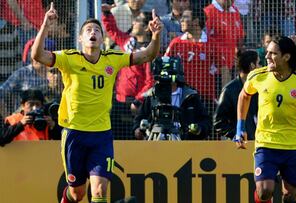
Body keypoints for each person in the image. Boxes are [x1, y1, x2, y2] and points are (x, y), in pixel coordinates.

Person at [31, 2, 162, 203]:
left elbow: (148, 55)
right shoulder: (69, 59)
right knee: (77, 194)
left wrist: (155, 36)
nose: (93, 32)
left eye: (97, 30)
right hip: (74, 132)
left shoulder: (113, 58)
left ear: (102, 38)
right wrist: (45, 26)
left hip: (101, 135)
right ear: (80, 38)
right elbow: (37, 55)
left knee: (99, 191)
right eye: (88, 30)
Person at [235, 36, 296, 203]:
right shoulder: (257, 76)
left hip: (294, 145)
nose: (267, 57)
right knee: (264, 191)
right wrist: (240, 127)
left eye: (272, 53)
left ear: (286, 57)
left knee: (290, 196)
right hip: (266, 143)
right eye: (267, 52)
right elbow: (244, 96)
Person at [102, 4, 154, 139]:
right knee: (115, 138)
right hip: (119, 100)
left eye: (138, 21)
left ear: (147, 27)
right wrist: (107, 14)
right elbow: (112, 30)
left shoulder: (149, 52)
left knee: (134, 138)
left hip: (137, 105)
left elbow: (150, 81)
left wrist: (138, 101)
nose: (134, 23)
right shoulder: (127, 42)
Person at [133, 56, 211, 140]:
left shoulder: (190, 96)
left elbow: (205, 121)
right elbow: (139, 120)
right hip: (155, 144)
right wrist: (138, 130)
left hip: (185, 145)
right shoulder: (151, 96)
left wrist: (198, 129)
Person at [165, 8, 217, 114]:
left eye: (185, 17)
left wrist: (222, 97)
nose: (181, 20)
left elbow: (224, 68)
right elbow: (165, 66)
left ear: (196, 21)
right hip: (180, 99)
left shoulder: (212, 44)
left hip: (204, 100)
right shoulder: (176, 43)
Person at [213, 50, 259, 140]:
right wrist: (236, 134)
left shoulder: (260, 88)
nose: (261, 67)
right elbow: (218, 121)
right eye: (259, 63)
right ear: (252, 66)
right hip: (239, 147)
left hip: (261, 143)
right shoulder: (229, 90)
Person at [204, 0, 245, 89]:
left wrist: (238, 55)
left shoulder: (235, 11)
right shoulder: (208, 12)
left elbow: (240, 36)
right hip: (215, 67)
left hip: (233, 65)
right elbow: (205, 39)